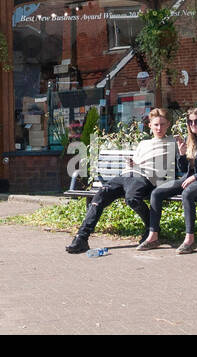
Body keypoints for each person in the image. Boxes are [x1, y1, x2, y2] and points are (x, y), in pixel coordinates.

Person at [66, 107, 177, 254]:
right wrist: (131, 163)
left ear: (168, 124)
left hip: (144, 178)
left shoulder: (172, 142)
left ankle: (152, 229)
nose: (159, 128)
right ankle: (81, 238)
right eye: (156, 124)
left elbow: (184, 153)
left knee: (132, 199)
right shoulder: (144, 144)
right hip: (126, 175)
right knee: (99, 196)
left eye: (162, 124)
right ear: (150, 125)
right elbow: (135, 161)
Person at [141, 107, 197, 254]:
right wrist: (181, 154)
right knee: (156, 193)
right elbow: (183, 167)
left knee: (187, 194)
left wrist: (196, 177)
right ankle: (153, 236)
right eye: (190, 121)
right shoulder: (190, 140)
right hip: (188, 178)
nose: (193, 124)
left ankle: (189, 240)